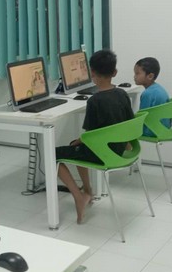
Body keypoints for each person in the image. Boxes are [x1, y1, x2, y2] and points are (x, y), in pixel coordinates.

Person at [55, 49, 134, 224]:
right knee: (76, 144)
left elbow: (89, 135)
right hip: (119, 149)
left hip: (103, 154)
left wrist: (79, 141)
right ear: (115, 72)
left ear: (92, 73)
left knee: (54, 154)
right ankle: (88, 190)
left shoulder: (94, 101)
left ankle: (79, 197)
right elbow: (129, 121)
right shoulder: (122, 94)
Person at [133, 57, 170, 136]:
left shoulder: (147, 94)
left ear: (150, 76)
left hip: (151, 131)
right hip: (165, 129)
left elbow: (142, 117)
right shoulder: (160, 89)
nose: (134, 76)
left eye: (137, 73)